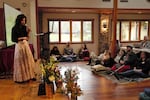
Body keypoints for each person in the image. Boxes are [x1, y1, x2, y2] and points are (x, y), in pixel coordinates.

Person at [12, 14, 36, 83]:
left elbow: (27, 38)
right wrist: (22, 38)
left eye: (25, 20)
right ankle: (21, 78)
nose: (24, 21)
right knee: (20, 61)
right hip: (19, 45)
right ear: (19, 20)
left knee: (28, 60)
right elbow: (13, 39)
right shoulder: (14, 28)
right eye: (22, 20)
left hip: (25, 44)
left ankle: (30, 76)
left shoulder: (24, 27)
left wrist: (28, 32)